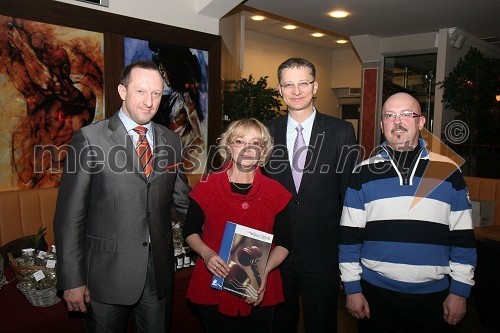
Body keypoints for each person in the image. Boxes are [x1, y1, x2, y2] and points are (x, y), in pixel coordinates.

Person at [53, 60, 191, 332]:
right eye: (141, 91)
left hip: (157, 274)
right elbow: (70, 217)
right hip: (105, 276)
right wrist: (71, 279)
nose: (149, 101)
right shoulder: (90, 139)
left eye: (156, 93)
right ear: (122, 91)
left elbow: (183, 201)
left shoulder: (171, 141)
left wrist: (221, 242)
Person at [338, 92, 477, 332]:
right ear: (382, 125)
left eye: (406, 114)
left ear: (421, 122)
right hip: (375, 296)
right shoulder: (362, 172)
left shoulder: (448, 171)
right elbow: (349, 238)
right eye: (390, 116)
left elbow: (463, 239)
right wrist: (352, 289)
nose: (397, 122)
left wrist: (460, 291)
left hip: (434, 299)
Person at [264, 57, 358, 332]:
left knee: (322, 326)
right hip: (276, 254)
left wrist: (347, 256)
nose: (296, 91)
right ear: (280, 90)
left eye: (303, 83)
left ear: (315, 86)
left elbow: (349, 196)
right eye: (288, 85)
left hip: (324, 252)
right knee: (280, 326)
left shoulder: (341, 131)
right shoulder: (266, 132)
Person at [183, 118, 293, 333]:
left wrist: (264, 273)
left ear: (263, 150)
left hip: (261, 287)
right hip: (211, 283)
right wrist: (206, 254)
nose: (248, 149)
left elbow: (285, 242)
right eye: (240, 141)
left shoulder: (276, 191)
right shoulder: (207, 186)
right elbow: (190, 231)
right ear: (228, 146)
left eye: (256, 143)